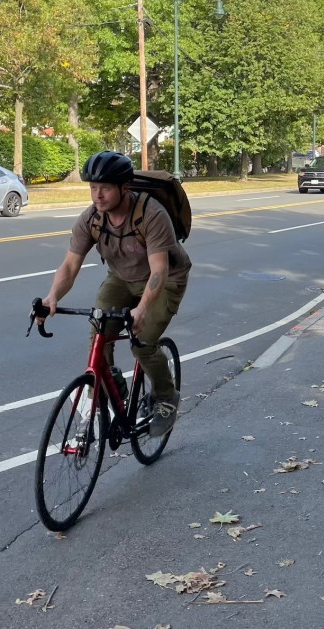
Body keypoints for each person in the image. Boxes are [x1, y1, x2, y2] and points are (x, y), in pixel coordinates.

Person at [42, 152, 189, 437]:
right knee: (98, 334)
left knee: (142, 344)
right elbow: (71, 265)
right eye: (93, 188)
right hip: (121, 278)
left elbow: (159, 269)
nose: (97, 195)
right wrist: (52, 297)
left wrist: (143, 308)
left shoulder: (152, 215)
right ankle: (114, 386)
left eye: (105, 188)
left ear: (125, 188)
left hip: (165, 280)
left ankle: (166, 396)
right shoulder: (91, 219)